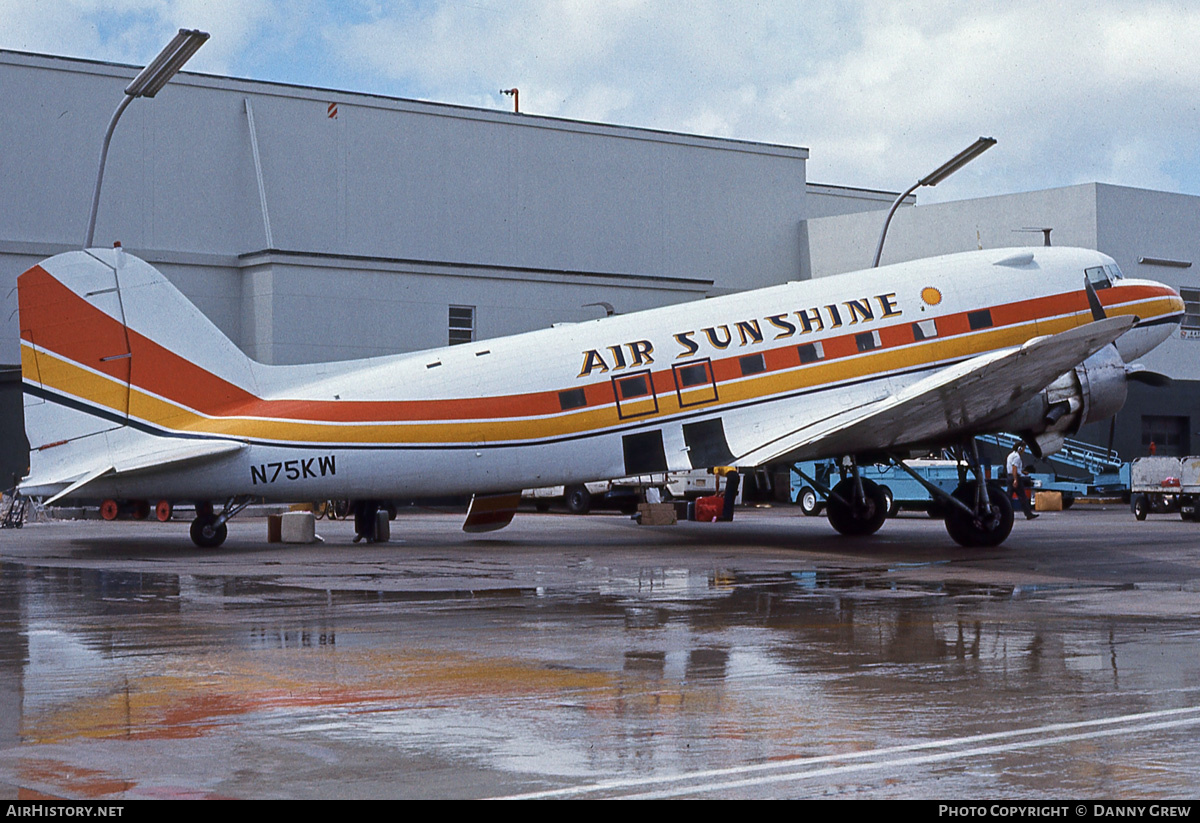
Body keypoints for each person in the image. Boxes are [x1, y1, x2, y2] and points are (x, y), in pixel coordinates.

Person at [1006, 443, 1038, 520]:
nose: (1024, 450)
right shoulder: (1017, 457)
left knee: (1008, 497)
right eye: (1023, 448)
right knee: (1022, 497)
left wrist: (1022, 472)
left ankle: (1004, 513)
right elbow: (1014, 468)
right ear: (1020, 448)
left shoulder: (1011, 455)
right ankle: (1028, 514)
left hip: (1010, 477)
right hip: (1015, 477)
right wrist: (1015, 479)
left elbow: (1013, 468)